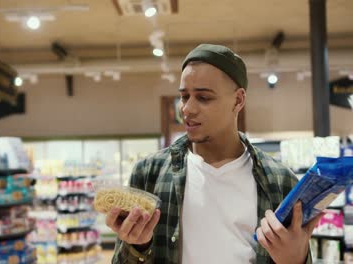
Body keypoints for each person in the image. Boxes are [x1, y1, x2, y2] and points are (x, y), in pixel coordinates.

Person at [107, 44, 322, 263]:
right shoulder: (149, 174)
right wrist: (138, 246)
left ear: (238, 100)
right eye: (184, 96)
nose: (187, 109)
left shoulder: (279, 180)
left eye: (203, 97)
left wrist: (296, 260)